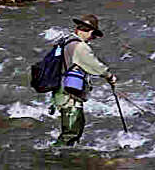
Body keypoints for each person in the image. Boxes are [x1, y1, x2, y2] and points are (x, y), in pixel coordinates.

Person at [50, 14, 117, 147]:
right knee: (71, 133)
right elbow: (95, 66)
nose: (93, 39)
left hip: (60, 91)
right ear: (90, 31)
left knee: (73, 130)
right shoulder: (80, 47)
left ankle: (66, 158)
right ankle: (53, 159)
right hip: (69, 94)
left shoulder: (65, 41)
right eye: (94, 35)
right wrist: (110, 76)